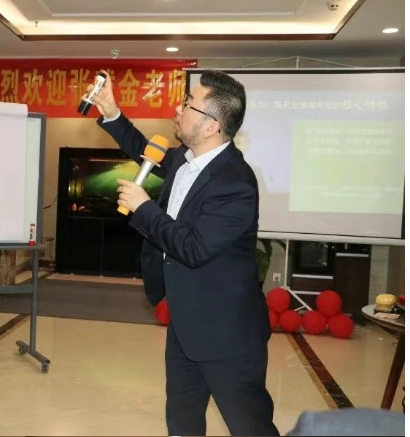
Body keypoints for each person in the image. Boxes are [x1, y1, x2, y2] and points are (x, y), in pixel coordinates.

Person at [90, 70, 279, 436]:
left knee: (249, 426)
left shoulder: (235, 183)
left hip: (227, 334)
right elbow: (144, 150)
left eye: (188, 104)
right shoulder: (184, 159)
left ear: (211, 125)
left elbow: (193, 249)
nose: (177, 109)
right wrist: (112, 113)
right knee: (182, 420)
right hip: (186, 323)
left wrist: (144, 208)